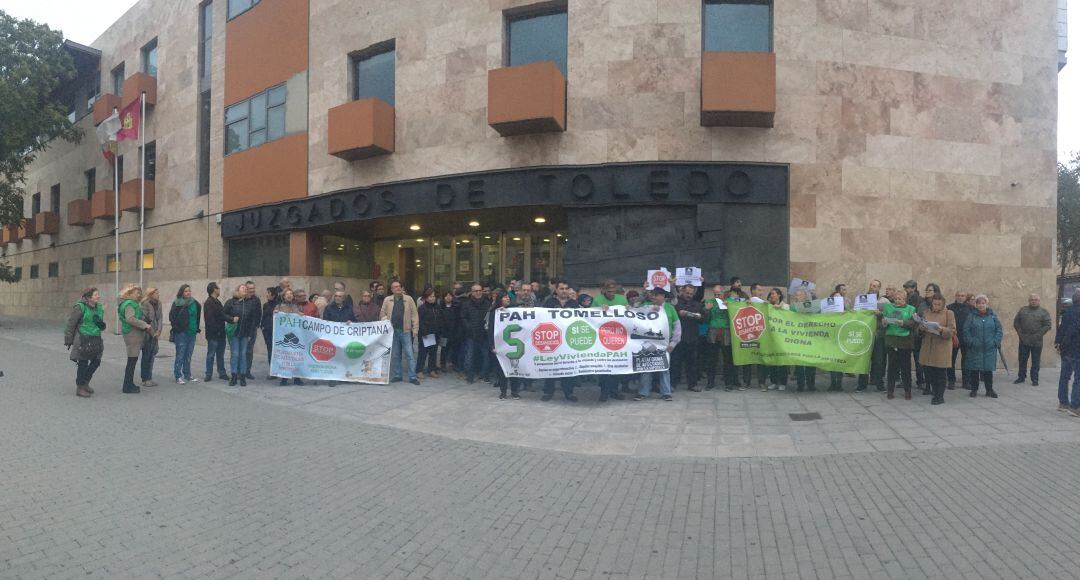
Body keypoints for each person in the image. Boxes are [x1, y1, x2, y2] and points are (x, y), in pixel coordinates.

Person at [634, 288, 680, 402]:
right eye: (653, 295)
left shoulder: (670, 308)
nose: (654, 297)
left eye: (657, 295)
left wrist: (673, 343)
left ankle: (666, 392)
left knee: (664, 368)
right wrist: (649, 308)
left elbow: (677, 326)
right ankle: (643, 392)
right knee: (646, 367)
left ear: (663, 297)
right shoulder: (647, 305)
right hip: (648, 342)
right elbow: (634, 308)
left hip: (664, 343)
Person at [540, 279, 579, 401]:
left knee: (568, 367)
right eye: (561, 288)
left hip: (568, 339)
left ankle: (569, 392)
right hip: (553, 338)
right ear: (556, 290)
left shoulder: (573, 304)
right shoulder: (549, 302)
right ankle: (548, 391)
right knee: (551, 366)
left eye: (566, 288)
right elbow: (540, 317)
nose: (564, 291)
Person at [64, 287, 106, 398]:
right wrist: (68, 339)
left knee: (96, 361)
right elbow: (71, 324)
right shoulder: (80, 307)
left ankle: (85, 382)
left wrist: (101, 325)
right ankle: (80, 387)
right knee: (83, 363)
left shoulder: (99, 307)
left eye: (98, 294)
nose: (98, 296)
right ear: (88, 297)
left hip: (96, 338)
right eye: (96, 294)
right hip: (83, 338)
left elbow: (100, 322)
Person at [594, 280, 629, 401]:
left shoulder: (622, 299)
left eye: (613, 291)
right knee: (604, 367)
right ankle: (604, 391)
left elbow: (627, 317)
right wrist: (599, 309)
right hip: (603, 336)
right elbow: (590, 317)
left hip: (618, 336)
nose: (611, 294)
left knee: (616, 365)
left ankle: (615, 390)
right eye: (608, 291)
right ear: (604, 290)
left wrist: (628, 309)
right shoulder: (597, 300)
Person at [919, 293, 957, 405]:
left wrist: (941, 329)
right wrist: (922, 327)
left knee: (940, 373)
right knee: (930, 372)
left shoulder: (948, 313)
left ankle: (939, 396)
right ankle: (934, 392)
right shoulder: (926, 312)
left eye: (939, 304)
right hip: (928, 346)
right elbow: (921, 328)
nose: (936, 306)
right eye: (934, 304)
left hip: (941, 347)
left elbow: (952, 331)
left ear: (943, 304)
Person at [380, 281, 421, 385]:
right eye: (395, 287)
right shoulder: (387, 300)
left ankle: (412, 376)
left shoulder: (409, 299)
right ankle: (398, 375)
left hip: (406, 331)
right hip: (393, 332)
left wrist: (415, 329)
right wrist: (387, 320)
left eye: (399, 286)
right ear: (392, 290)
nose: (398, 288)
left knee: (410, 355)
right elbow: (382, 314)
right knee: (395, 355)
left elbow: (414, 315)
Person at [963, 294, 1003, 398]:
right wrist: (971, 342)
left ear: (986, 304)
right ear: (976, 305)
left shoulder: (992, 316)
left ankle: (989, 390)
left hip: (989, 349)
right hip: (975, 348)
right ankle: (974, 390)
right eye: (979, 303)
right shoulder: (971, 316)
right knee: (974, 370)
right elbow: (966, 330)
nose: (981, 305)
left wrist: (995, 341)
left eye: (983, 303)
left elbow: (999, 329)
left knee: (988, 370)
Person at [882, 290, 916, 400]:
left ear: (905, 299)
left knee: (905, 368)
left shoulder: (911, 309)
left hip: (905, 342)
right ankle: (890, 391)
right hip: (891, 341)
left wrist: (902, 323)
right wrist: (884, 322)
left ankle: (908, 391)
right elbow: (883, 323)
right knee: (892, 368)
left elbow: (913, 323)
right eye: (896, 299)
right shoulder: (888, 308)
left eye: (900, 299)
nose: (897, 301)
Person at [488, 289, 521, 399]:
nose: (507, 298)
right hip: (500, 344)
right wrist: (492, 345)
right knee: (501, 369)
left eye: (508, 297)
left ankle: (515, 391)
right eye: (504, 297)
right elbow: (491, 330)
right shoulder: (494, 313)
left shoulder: (514, 310)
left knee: (514, 368)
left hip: (513, 345)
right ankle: (503, 392)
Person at [671, 284, 705, 392]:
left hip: (692, 337)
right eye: (687, 293)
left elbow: (702, 319)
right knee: (675, 362)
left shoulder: (697, 304)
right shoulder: (676, 303)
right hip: (678, 338)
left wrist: (697, 315)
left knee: (692, 363)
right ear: (682, 291)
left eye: (691, 293)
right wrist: (679, 312)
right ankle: (673, 384)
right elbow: (673, 314)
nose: (689, 295)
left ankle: (692, 384)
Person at [118, 284, 151, 394]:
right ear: (130, 293)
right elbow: (130, 319)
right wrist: (144, 325)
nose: (139, 294)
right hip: (133, 334)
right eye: (137, 292)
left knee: (132, 360)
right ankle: (127, 386)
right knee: (132, 361)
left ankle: (129, 384)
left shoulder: (127, 303)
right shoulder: (130, 304)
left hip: (130, 333)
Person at [1013, 293, 1052, 386]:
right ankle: (1021, 377)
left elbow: (1047, 325)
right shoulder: (1023, 310)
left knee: (1035, 361)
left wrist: (1037, 335)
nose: (1033, 301)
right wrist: (1020, 334)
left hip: (1037, 341)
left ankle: (1035, 379)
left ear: (1039, 301)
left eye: (1035, 299)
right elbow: (1016, 322)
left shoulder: (1044, 312)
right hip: (1023, 340)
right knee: (1022, 360)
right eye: (1031, 299)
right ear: (1029, 301)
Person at [224, 284, 259, 386]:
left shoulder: (250, 303)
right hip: (234, 332)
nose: (245, 289)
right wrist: (231, 319)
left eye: (246, 289)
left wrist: (250, 334)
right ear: (238, 290)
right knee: (235, 354)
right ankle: (234, 376)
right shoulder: (231, 302)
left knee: (243, 355)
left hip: (245, 333)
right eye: (243, 288)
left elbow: (252, 320)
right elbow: (223, 314)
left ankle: (243, 377)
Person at [856, 280, 886, 393]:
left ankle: (879, 384)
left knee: (878, 361)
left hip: (878, 335)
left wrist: (881, 314)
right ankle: (861, 385)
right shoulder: (861, 299)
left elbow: (889, 316)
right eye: (872, 285)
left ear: (879, 288)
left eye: (876, 286)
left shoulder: (884, 301)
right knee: (863, 360)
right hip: (864, 334)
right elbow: (856, 314)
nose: (873, 288)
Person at [169, 284, 202, 384]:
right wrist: (178, 328)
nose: (188, 293)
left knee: (188, 355)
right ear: (182, 292)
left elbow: (197, 316)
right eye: (186, 291)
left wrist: (196, 328)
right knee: (180, 354)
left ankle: (187, 374)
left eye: (189, 291)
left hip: (192, 332)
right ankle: (178, 376)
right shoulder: (177, 303)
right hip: (181, 333)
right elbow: (172, 317)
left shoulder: (195, 303)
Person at [459, 283, 491, 384]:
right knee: (469, 356)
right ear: (472, 292)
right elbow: (463, 317)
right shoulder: (466, 304)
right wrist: (468, 327)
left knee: (486, 356)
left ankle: (483, 375)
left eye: (479, 290)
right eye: (475, 291)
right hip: (471, 334)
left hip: (484, 334)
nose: (478, 293)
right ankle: (470, 376)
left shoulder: (487, 303)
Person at [1055, 290, 1080, 415]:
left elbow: (1062, 328)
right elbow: (1073, 330)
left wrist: (1058, 343)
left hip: (1067, 350)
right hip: (1077, 350)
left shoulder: (1068, 312)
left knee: (1064, 377)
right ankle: (1075, 406)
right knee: (1078, 378)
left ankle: (1063, 403)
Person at [274, 289, 305, 386]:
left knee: (296, 356)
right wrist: (275, 313)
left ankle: (297, 378)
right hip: (284, 337)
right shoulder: (279, 306)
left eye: (291, 294)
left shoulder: (297, 306)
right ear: (283, 296)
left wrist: (301, 315)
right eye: (287, 294)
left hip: (296, 336)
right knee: (285, 358)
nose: (289, 295)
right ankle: (284, 378)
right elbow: (275, 320)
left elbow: (302, 319)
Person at [790, 287, 818, 393]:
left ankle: (811, 384)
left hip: (811, 336)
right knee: (800, 362)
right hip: (798, 337)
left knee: (811, 361)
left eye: (800, 295)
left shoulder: (812, 306)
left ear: (805, 296)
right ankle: (800, 384)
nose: (797, 297)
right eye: (796, 295)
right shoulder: (793, 307)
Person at [203, 282, 229, 383]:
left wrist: (231, 319)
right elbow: (209, 320)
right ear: (214, 289)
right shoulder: (209, 302)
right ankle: (208, 374)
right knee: (211, 354)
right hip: (213, 334)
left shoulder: (217, 301)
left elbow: (222, 316)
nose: (219, 289)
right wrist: (216, 331)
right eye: (218, 288)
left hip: (221, 333)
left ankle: (222, 372)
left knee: (220, 355)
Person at [947, 291, 972, 389]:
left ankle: (966, 381)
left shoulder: (971, 309)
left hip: (966, 338)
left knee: (966, 360)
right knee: (951, 360)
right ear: (955, 296)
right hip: (954, 337)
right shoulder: (949, 308)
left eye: (962, 296)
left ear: (965, 297)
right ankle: (951, 380)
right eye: (958, 295)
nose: (960, 297)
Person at [139, 287, 163, 389]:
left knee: (152, 355)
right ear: (151, 294)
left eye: (158, 292)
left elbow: (160, 318)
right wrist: (153, 333)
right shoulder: (145, 304)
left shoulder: (159, 303)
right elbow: (144, 320)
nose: (158, 294)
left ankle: (149, 377)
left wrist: (159, 331)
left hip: (155, 334)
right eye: (156, 293)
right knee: (146, 356)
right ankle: (145, 379)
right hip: (147, 334)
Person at [415, 288, 439, 379]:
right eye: (430, 296)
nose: (432, 298)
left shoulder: (437, 307)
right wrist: (424, 332)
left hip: (435, 333)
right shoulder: (422, 308)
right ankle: (419, 370)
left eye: (433, 296)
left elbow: (439, 319)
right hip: (426, 333)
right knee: (423, 353)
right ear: (426, 298)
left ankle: (432, 369)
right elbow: (420, 321)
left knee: (433, 352)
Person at [260, 287, 280, 378]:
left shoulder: (279, 305)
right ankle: (272, 371)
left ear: (273, 294)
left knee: (277, 351)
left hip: (277, 331)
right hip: (267, 331)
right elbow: (264, 317)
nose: (267, 294)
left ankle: (279, 370)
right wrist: (262, 327)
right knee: (270, 350)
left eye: (268, 292)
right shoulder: (265, 305)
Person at [438, 290, 460, 372]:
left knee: (454, 349)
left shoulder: (456, 307)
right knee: (444, 349)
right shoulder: (440, 307)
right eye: (446, 296)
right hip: (444, 332)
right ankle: (443, 364)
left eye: (450, 295)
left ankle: (454, 364)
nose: (448, 297)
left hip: (454, 332)